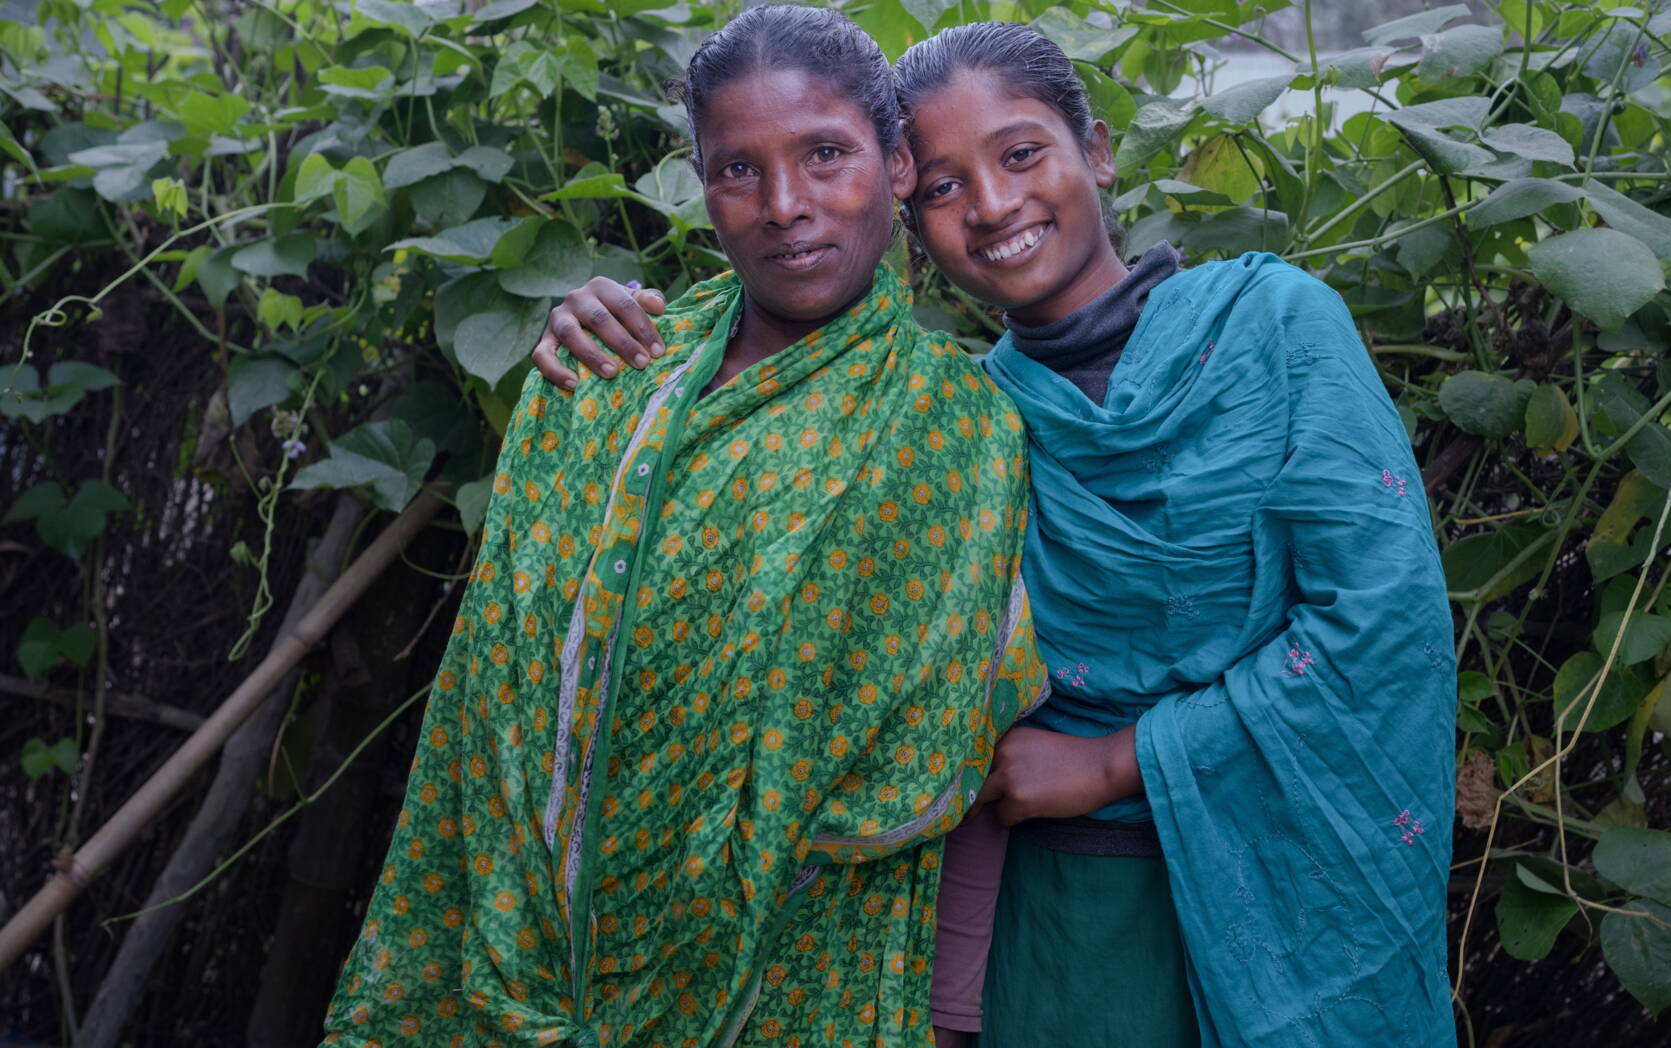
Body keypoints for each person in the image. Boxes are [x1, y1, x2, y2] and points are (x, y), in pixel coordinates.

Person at [528, 21, 1455, 1048]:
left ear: (1094, 150)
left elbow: (1381, 624)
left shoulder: (1274, 327)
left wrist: (1114, 760)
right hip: (1060, 944)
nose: (994, 204)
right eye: (943, 187)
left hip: (1305, 898)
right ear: (908, 213)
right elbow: (914, 729)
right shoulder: (958, 431)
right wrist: (612, 343)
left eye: (1020, 154)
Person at [319, 7, 1047, 1046]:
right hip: (513, 952)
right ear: (699, 184)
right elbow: (496, 698)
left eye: (826, 155)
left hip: (787, 974)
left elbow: (927, 747)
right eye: (737, 170)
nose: (786, 205)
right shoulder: (606, 375)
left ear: (895, 165)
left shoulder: (955, 430)